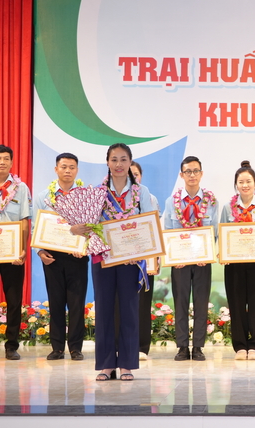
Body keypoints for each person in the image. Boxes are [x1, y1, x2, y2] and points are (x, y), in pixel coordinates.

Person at [71, 143, 156, 381]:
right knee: (104, 308)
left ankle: (127, 364)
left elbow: (149, 224)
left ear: (130, 162)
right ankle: (106, 364)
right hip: (103, 258)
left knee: (129, 309)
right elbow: (87, 224)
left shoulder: (141, 192)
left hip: (130, 260)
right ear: (107, 162)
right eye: (114, 159)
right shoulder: (97, 192)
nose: (119, 164)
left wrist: (138, 251)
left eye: (123, 159)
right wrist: (76, 229)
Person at [33, 152, 88, 361]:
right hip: (52, 256)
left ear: (77, 170)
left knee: (76, 303)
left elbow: (91, 225)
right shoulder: (43, 197)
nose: (67, 171)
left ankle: (75, 348)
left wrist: (83, 246)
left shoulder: (85, 196)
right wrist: (39, 251)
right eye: (64, 167)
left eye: (72, 167)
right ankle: (57, 348)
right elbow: (36, 227)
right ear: (56, 169)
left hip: (77, 255)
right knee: (55, 302)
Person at [163, 156, 219, 362]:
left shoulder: (211, 200)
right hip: (180, 262)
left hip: (203, 260)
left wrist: (208, 253)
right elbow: (168, 231)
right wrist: (174, 256)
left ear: (201, 174)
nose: (192, 175)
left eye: (196, 171)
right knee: (181, 302)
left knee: (201, 303)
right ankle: (182, 347)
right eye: (188, 171)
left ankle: (198, 347)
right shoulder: (172, 201)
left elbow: (213, 231)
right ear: (182, 175)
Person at [219, 161, 255, 361]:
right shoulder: (227, 207)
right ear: (236, 185)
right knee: (236, 303)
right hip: (234, 264)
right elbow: (222, 233)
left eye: (248, 181)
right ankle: (240, 346)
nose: (245, 185)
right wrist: (223, 253)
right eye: (241, 182)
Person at [0, 145, 31, 360]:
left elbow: (25, 220)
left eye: (6, 158)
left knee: (14, 300)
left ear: (11, 162)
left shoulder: (20, 188)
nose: (2, 162)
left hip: (12, 253)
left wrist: (22, 249)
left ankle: (11, 346)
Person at [130, 161, 159, 361]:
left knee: (143, 302)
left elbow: (154, 228)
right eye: (130, 174)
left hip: (144, 258)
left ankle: (142, 347)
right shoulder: (114, 199)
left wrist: (155, 258)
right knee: (121, 302)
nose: (133, 177)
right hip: (122, 257)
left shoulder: (150, 198)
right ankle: (122, 346)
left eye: (136, 174)